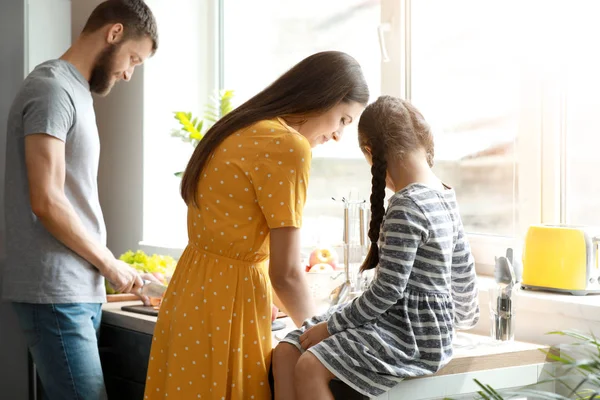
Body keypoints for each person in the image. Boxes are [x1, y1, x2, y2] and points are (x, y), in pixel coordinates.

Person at [143, 50, 369, 399]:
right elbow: (286, 273)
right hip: (230, 310)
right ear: (325, 97)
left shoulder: (241, 125)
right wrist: (321, 332)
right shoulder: (288, 146)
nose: (338, 135)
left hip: (189, 299)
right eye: (343, 119)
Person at [272, 95, 480, 399]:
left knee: (309, 365)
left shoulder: (407, 206)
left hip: (410, 336)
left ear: (371, 154)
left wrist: (330, 328)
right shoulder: (444, 195)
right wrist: (459, 321)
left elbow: (387, 292)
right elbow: (463, 272)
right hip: (421, 331)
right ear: (423, 141)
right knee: (288, 348)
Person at [2, 1, 158, 399]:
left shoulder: (76, 93)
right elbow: (47, 200)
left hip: (76, 288)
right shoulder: (52, 89)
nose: (128, 73)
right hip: (55, 291)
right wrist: (109, 264)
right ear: (114, 33)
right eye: (133, 59)